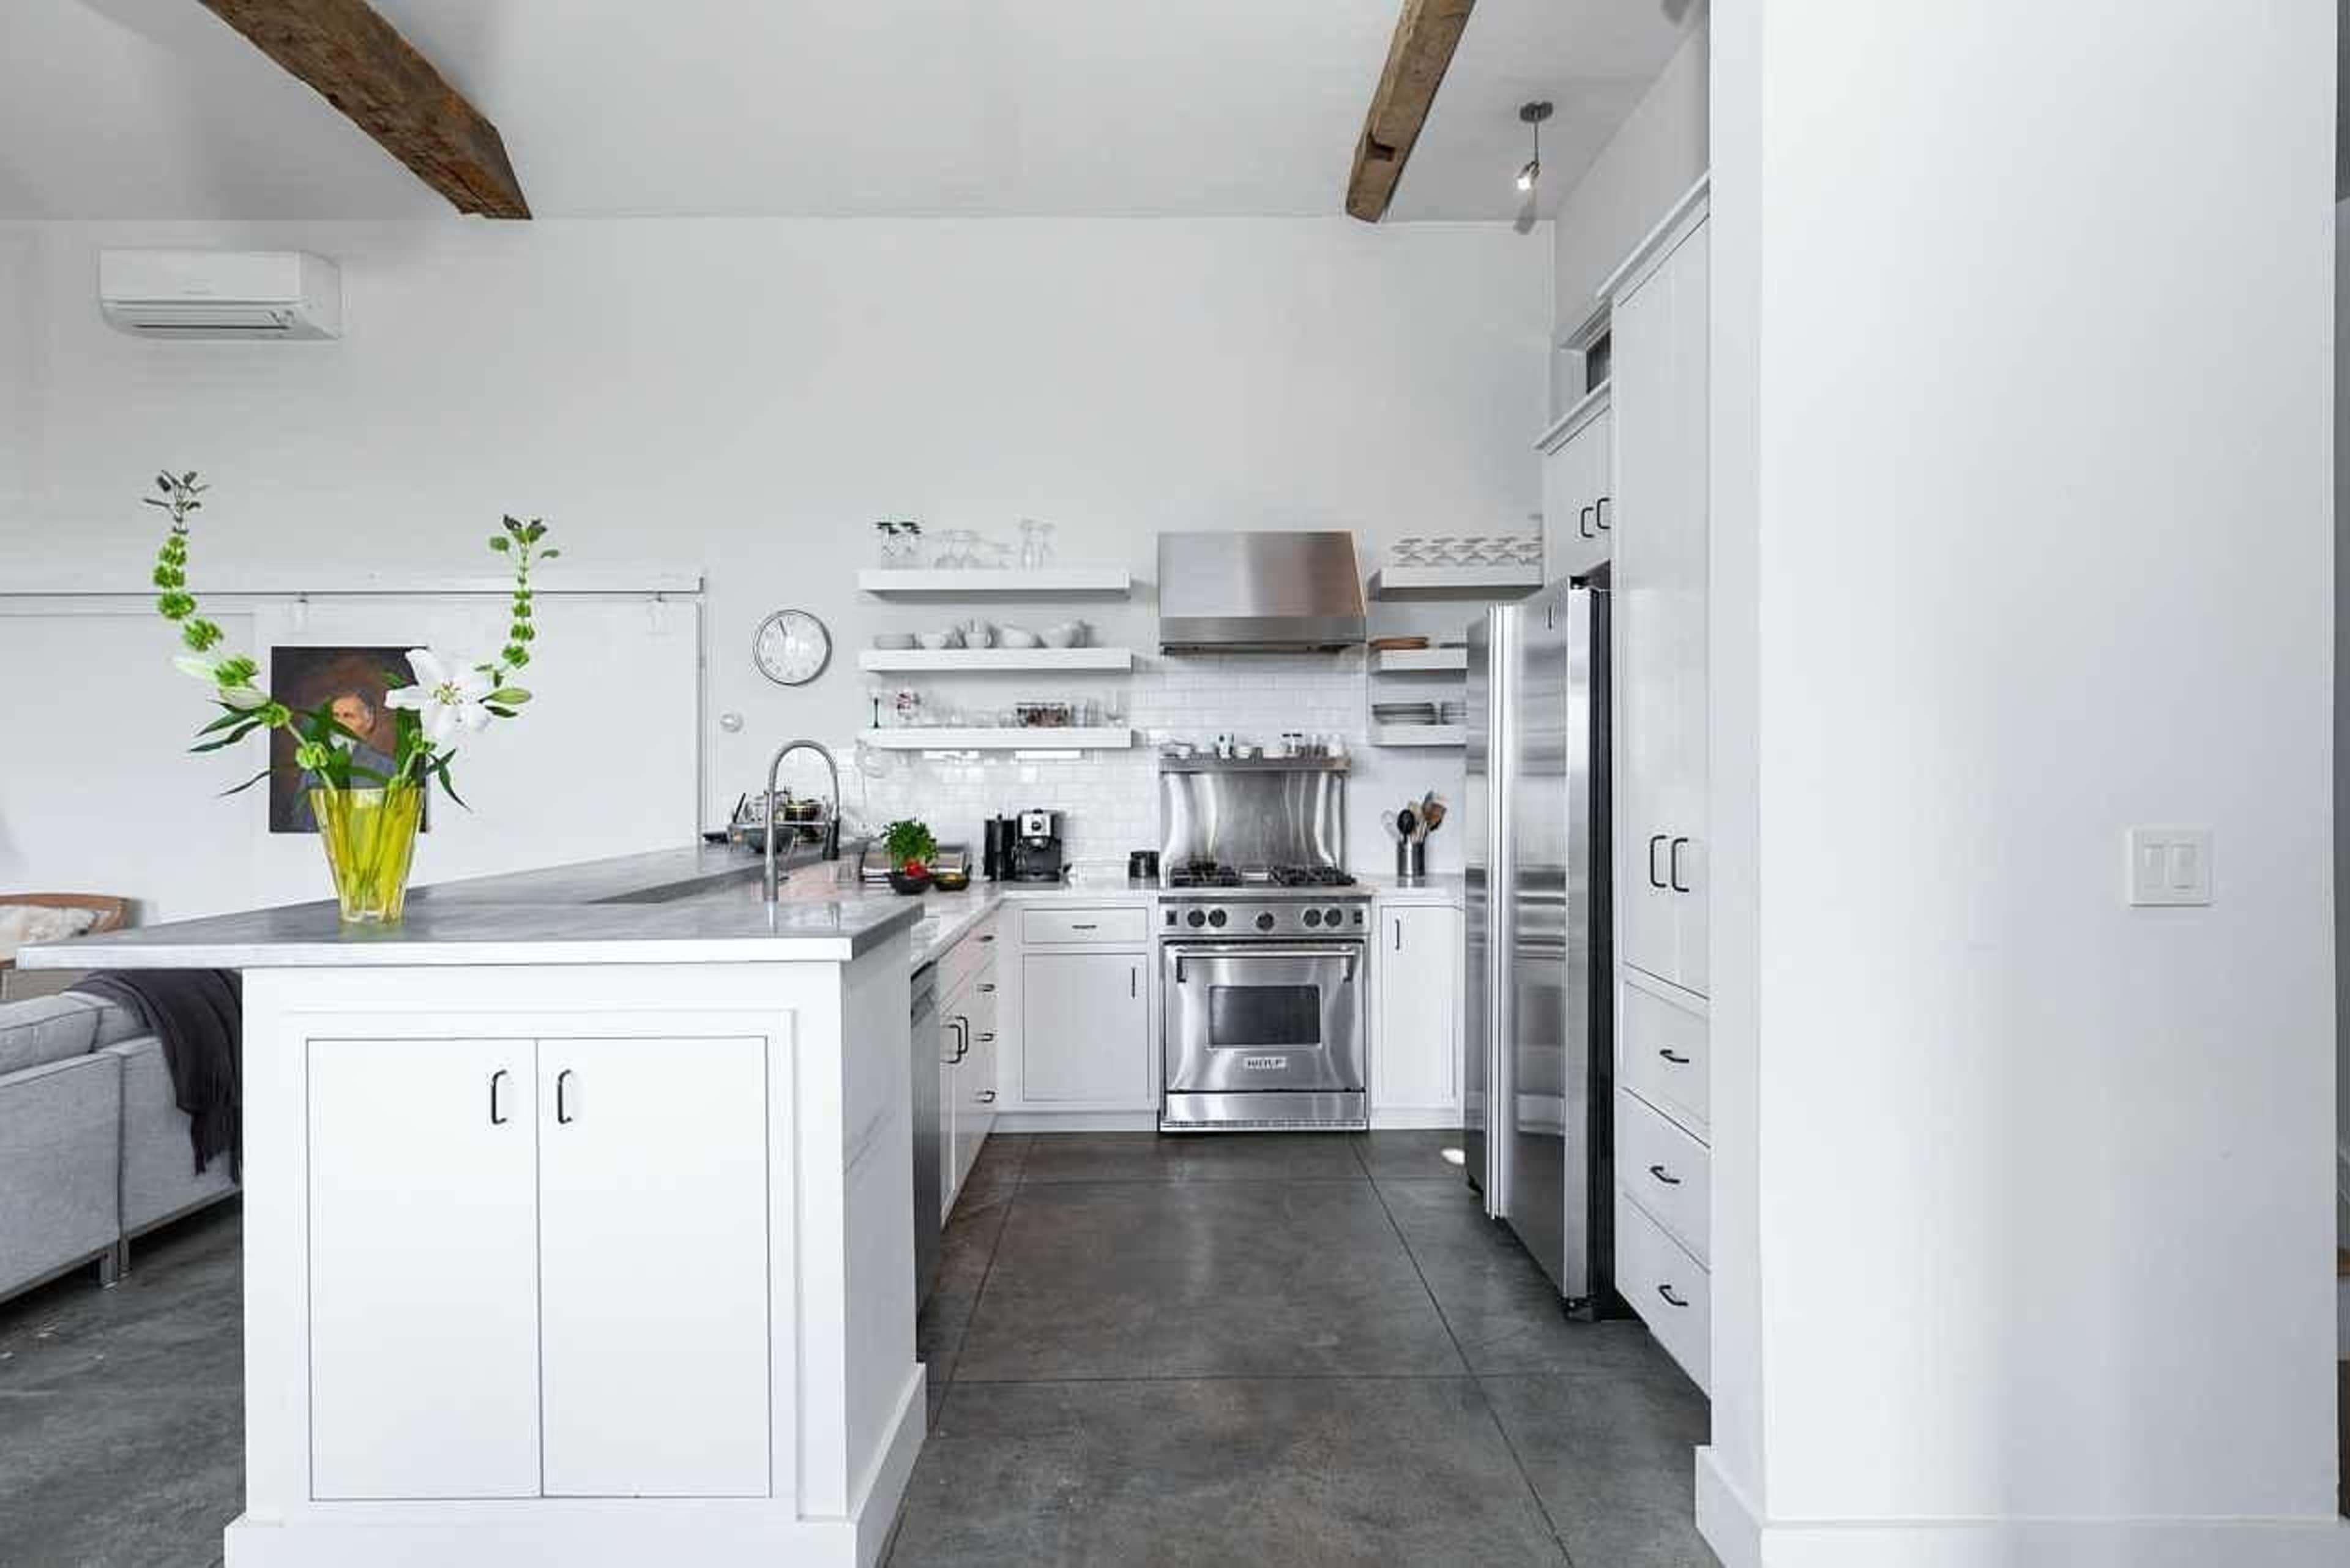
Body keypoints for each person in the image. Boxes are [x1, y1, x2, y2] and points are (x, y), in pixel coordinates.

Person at [287, 690, 400, 832]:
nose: (338, 724)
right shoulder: (315, 765)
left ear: (368, 722)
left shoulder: (387, 768)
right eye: (335, 716)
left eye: (348, 716)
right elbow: (300, 821)